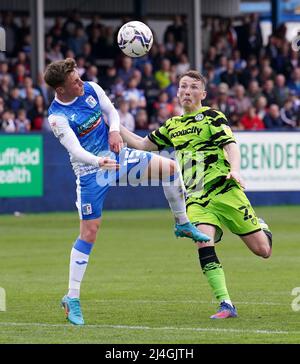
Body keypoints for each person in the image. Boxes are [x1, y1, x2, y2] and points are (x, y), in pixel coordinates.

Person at [43, 59, 210, 326]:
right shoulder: (57, 117)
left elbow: (113, 112)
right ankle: (71, 297)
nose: (81, 82)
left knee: (169, 167)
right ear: (61, 90)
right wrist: (99, 162)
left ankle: (182, 223)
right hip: (91, 172)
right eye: (75, 81)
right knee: (89, 232)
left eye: (79, 77)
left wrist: (113, 132)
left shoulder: (91, 89)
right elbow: (75, 151)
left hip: (119, 155)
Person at [120, 70, 273, 319]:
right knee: (203, 241)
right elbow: (141, 144)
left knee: (263, 251)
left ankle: (260, 224)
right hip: (196, 198)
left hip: (225, 191)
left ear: (202, 94)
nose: (187, 91)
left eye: (193, 87)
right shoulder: (173, 125)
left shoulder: (213, 116)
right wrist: (115, 125)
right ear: (177, 92)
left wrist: (235, 170)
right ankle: (226, 304)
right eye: (183, 86)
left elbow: (230, 145)